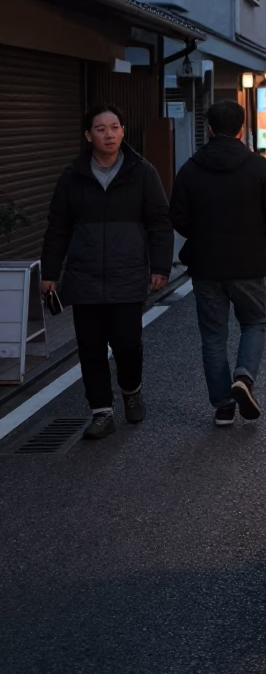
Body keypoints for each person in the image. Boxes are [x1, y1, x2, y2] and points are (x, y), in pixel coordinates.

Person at [41, 104, 173, 440]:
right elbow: (58, 227)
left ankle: (131, 390)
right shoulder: (73, 176)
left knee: (128, 344)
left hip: (127, 273)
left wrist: (159, 265)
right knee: (90, 347)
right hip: (84, 275)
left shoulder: (142, 171)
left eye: (115, 127)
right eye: (101, 129)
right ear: (88, 135)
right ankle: (101, 411)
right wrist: (50, 272)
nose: (109, 134)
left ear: (123, 131)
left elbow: (159, 221)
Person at [170, 100, 266, 426]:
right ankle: (244, 378)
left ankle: (223, 406)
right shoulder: (257, 166)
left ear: (209, 127)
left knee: (213, 336)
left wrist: (202, 235)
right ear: (241, 127)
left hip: (206, 265)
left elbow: (177, 214)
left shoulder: (192, 168)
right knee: (254, 323)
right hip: (249, 263)